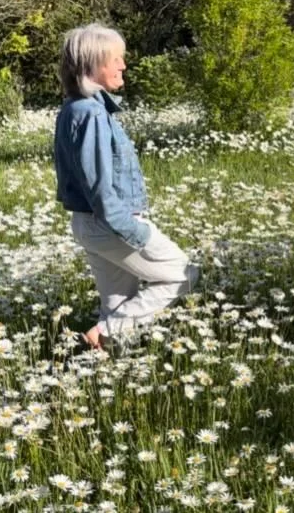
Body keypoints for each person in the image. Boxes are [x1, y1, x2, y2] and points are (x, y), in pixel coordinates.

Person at [52, 23, 199, 353]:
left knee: (119, 305)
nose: (123, 65)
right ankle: (102, 332)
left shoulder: (77, 109)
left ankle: (102, 376)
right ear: (93, 64)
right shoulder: (89, 113)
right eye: (116, 59)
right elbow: (99, 185)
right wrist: (134, 231)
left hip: (92, 223)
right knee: (183, 274)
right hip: (109, 223)